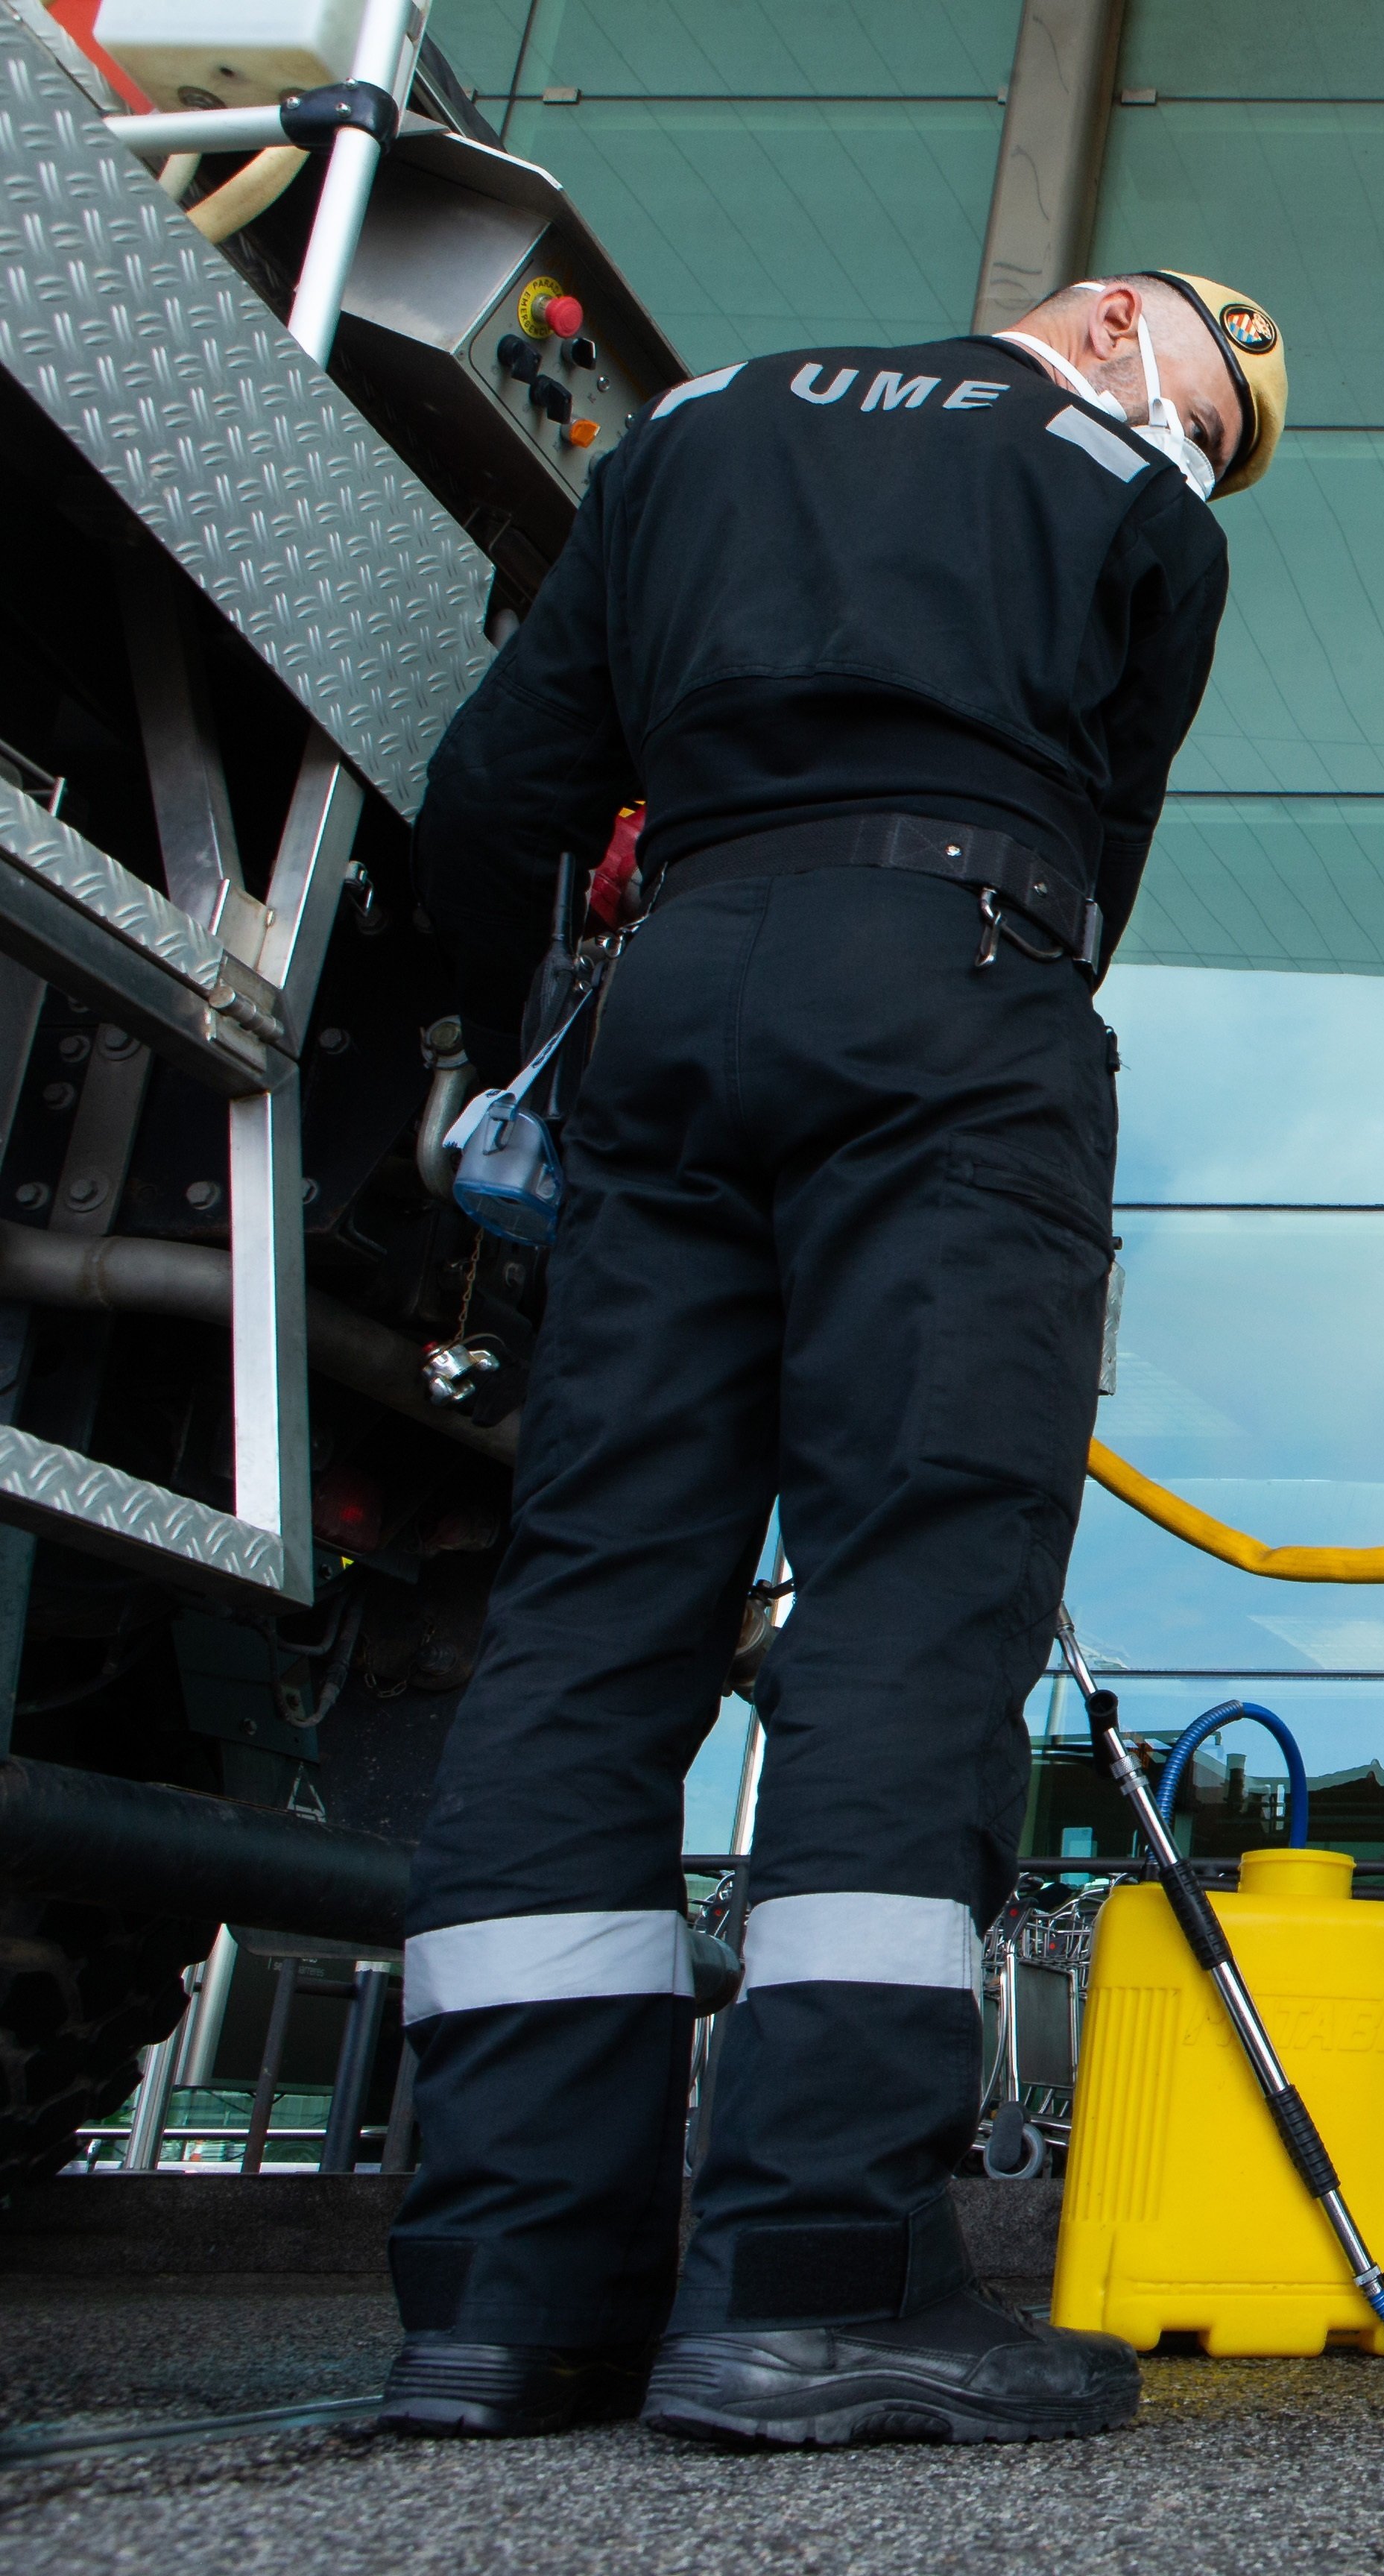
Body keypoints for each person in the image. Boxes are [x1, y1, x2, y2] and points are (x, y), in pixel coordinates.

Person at [376, 273, 1286, 2444]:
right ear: (1124, 348)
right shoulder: (1132, 495)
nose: (1213, 456)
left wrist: (471, 1029)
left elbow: (502, 783)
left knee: (595, 1610)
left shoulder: (693, 426)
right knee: (910, 1598)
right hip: (957, 995)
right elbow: (1102, 852)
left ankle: (508, 2298)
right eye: (1219, 418)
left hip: (670, 1004)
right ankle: (813, 2278)